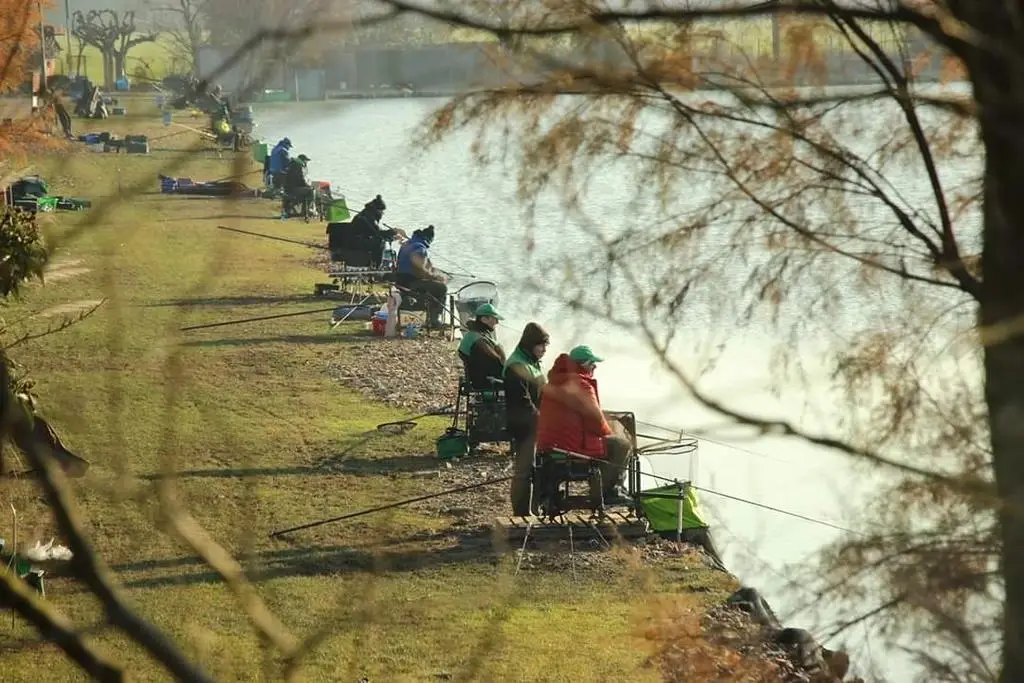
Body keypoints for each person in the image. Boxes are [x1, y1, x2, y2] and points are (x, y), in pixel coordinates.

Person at [534, 345, 633, 505]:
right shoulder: (581, 385)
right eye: (592, 363)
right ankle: (608, 491)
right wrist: (608, 432)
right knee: (622, 445)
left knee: (611, 443)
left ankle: (603, 487)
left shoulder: (553, 383)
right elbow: (596, 421)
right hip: (571, 447)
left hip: (549, 444)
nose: (595, 366)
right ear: (583, 364)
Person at [504, 322, 550, 515]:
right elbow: (523, 402)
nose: (545, 350)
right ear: (530, 344)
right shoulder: (517, 366)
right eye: (541, 345)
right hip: (523, 425)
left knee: (536, 468)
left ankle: (534, 508)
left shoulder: (531, 362)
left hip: (535, 424)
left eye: (546, 346)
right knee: (524, 471)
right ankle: (521, 513)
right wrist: (542, 420)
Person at [395, 225, 447, 329]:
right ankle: (434, 320)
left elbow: (423, 265)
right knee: (441, 288)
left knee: (433, 285)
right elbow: (421, 269)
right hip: (410, 283)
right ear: (429, 239)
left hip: (401, 281)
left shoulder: (407, 244)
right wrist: (435, 277)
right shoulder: (420, 247)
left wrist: (434, 271)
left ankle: (427, 316)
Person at [458, 303, 507, 390]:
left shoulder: (476, 334)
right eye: (494, 319)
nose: (497, 322)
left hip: (482, 377)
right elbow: (498, 363)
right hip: (486, 382)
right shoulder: (479, 340)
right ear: (484, 319)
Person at [281, 154, 313, 218]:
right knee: (310, 191)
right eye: (306, 161)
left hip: (287, 188)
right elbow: (300, 179)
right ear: (303, 160)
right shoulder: (298, 166)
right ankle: (306, 211)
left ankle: (301, 210)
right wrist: (308, 186)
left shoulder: (292, 164)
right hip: (292, 189)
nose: (306, 163)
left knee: (305, 190)